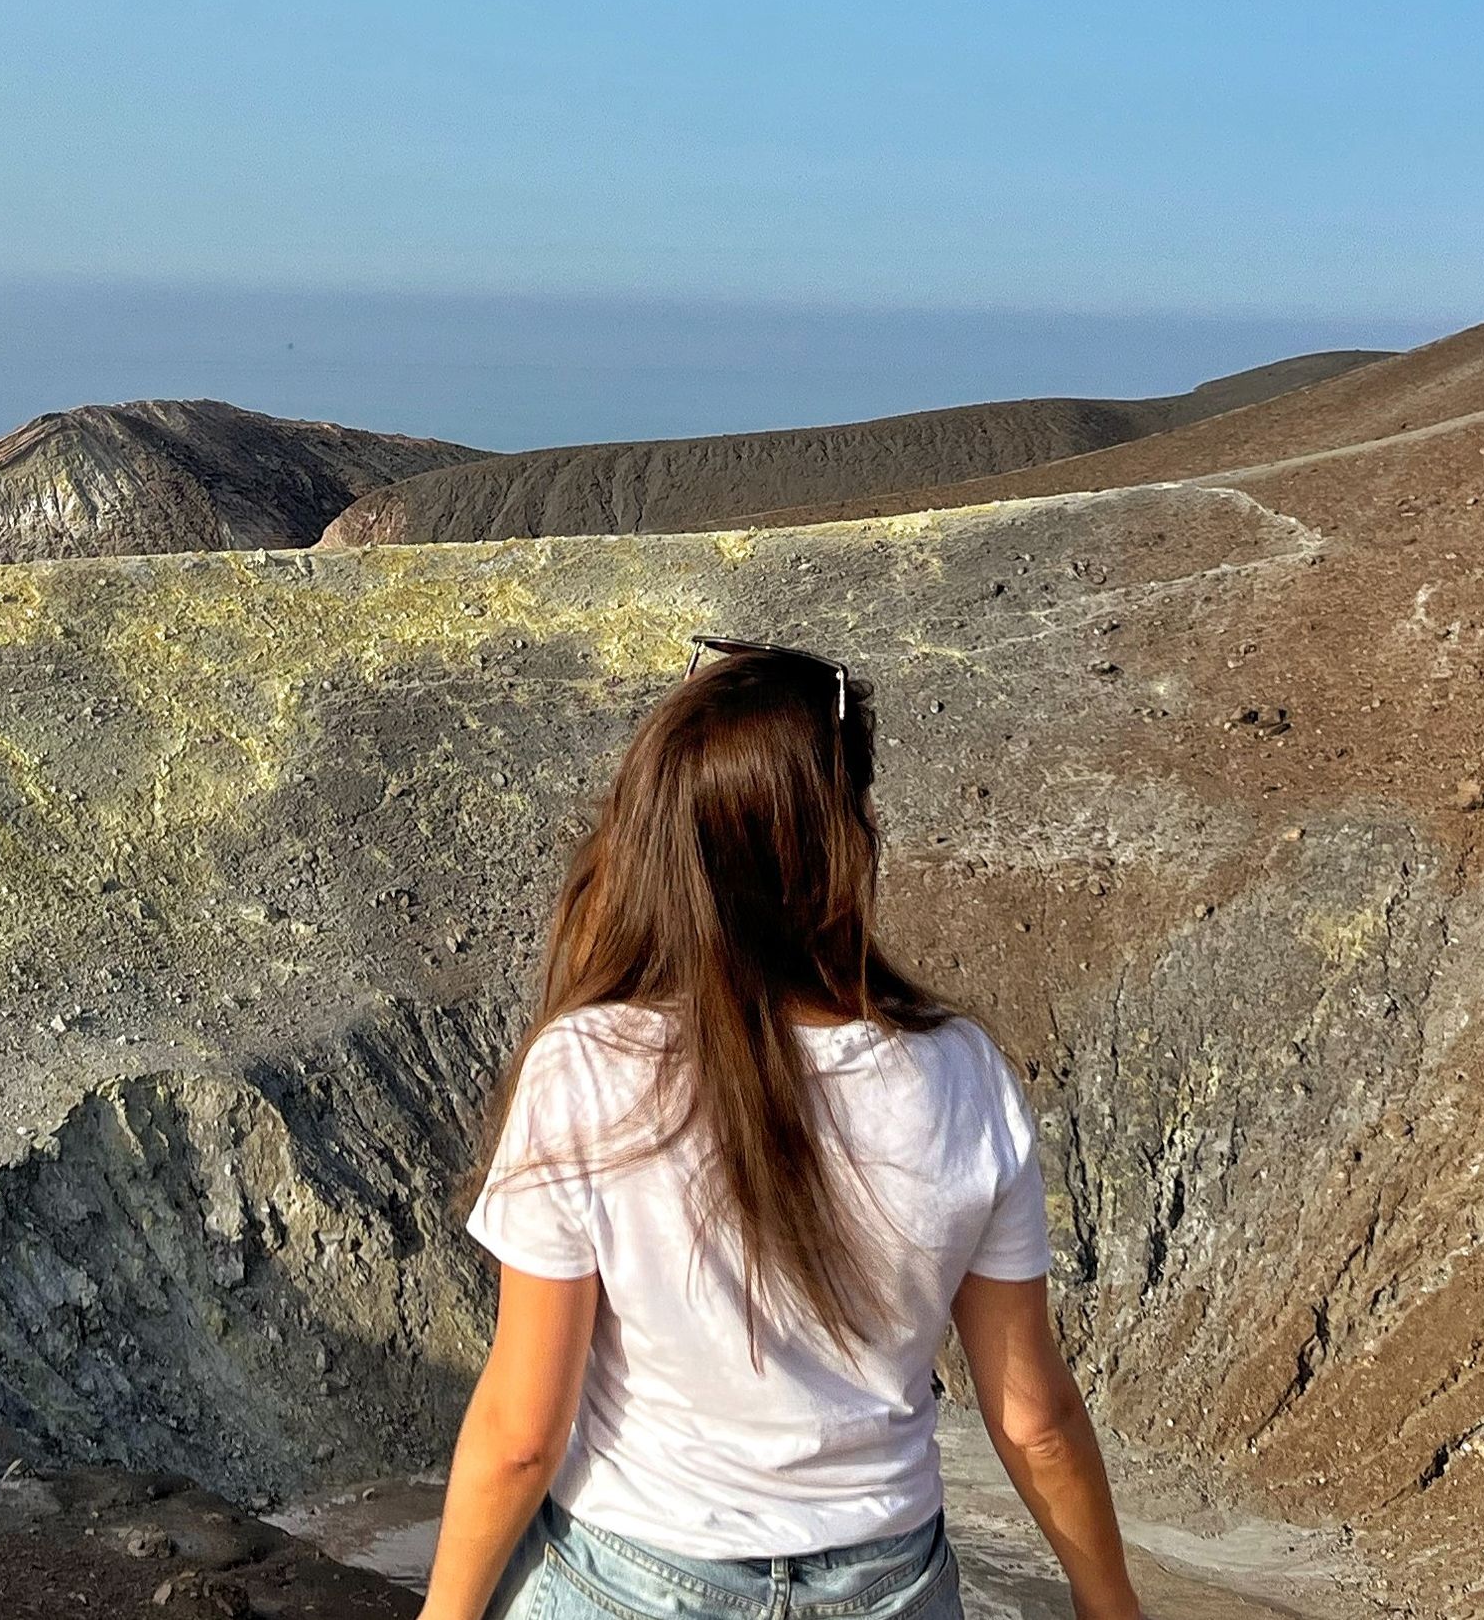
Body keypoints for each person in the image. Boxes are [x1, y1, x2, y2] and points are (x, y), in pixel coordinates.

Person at [418, 637, 1144, 1620]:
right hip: (889, 1586)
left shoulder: (589, 1069)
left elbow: (520, 1431)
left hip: (632, 1580)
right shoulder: (964, 1074)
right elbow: (1036, 1418)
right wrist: (1111, 1604)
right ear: (848, 840)